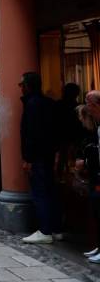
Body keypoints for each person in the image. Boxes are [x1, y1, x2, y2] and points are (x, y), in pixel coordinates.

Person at [19, 72, 62, 244]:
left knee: (40, 192)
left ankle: (45, 230)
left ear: (28, 85)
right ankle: (56, 228)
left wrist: (28, 159)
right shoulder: (48, 103)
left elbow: (31, 135)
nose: (20, 87)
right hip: (49, 154)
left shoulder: (32, 104)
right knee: (50, 190)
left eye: (21, 84)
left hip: (38, 156)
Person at [77, 95, 100, 262]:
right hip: (96, 173)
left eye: (89, 104)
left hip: (98, 174)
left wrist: (86, 161)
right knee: (96, 210)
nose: (87, 108)